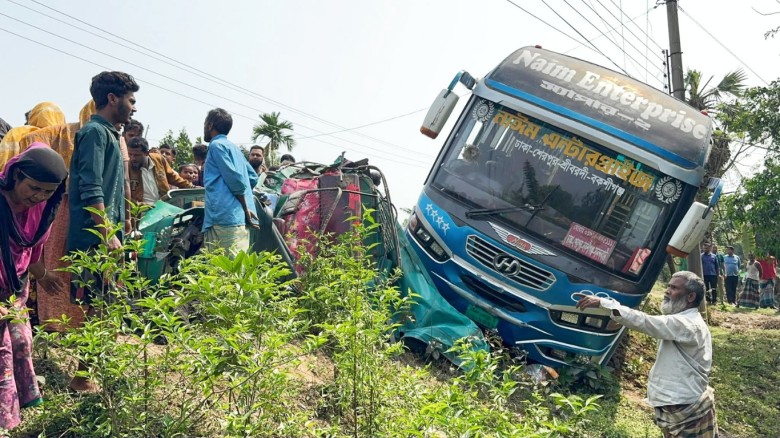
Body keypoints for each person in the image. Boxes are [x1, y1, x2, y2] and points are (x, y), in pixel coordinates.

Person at [577, 271, 717, 437]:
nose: (667, 291)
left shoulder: (686, 324)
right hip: (682, 401)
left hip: (683, 403)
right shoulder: (685, 321)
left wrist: (605, 304)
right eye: (668, 286)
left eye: (674, 288)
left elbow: (645, 322)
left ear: (690, 296)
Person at [66, 71, 138, 392]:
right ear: (113, 98)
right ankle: (83, 377)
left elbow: (113, 192)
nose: (134, 108)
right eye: (131, 100)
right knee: (100, 305)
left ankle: (92, 371)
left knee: (106, 304)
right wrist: (107, 233)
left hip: (107, 234)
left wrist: (124, 230)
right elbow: (92, 188)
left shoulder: (110, 134)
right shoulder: (95, 133)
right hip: (95, 237)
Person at [0, 144, 68, 430]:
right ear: (16, 176)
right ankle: (5, 421)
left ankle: (25, 397)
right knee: (2, 351)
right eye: (34, 188)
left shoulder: (43, 210)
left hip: (15, 285)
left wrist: (44, 275)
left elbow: (33, 251)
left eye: (47, 191)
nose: (39, 196)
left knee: (22, 341)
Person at [202, 108, 258, 257]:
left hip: (223, 218)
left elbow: (235, 179)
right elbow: (252, 177)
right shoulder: (235, 149)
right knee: (238, 270)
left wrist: (243, 205)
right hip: (238, 219)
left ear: (210, 125)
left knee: (222, 272)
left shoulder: (216, 146)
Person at [127, 137, 192, 207]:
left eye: (137, 155)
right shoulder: (126, 166)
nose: (132, 158)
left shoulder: (159, 159)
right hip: (140, 210)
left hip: (163, 207)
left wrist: (191, 187)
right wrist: (139, 205)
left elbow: (174, 178)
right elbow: (124, 193)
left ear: (146, 153)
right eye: (130, 154)